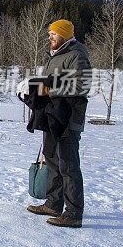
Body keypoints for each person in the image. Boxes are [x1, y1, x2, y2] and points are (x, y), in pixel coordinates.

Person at [18, 19, 91, 228]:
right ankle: (53, 203)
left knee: (68, 165)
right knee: (53, 162)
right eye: (49, 33)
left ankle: (74, 213)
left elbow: (80, 85)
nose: (50, 37)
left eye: (54, 34)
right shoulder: (55, 55)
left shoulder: (77, 55)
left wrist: (42, 87)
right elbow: (49, 84)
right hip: (52, 117)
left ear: (65, 35)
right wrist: (31, 87)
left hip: (68, 118)